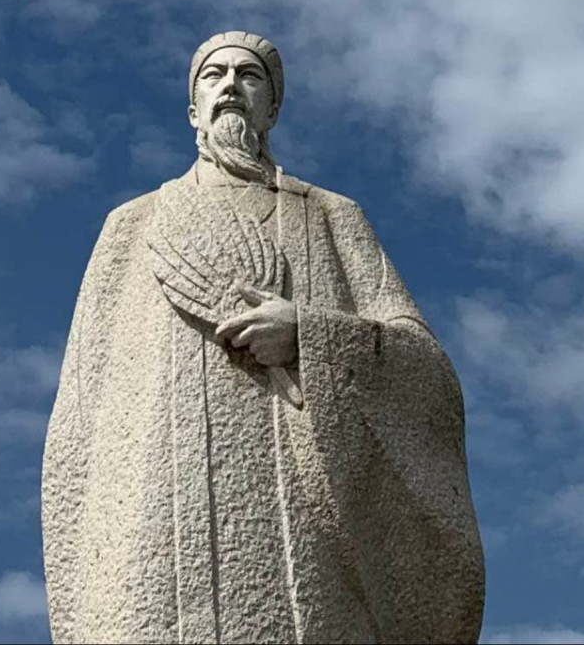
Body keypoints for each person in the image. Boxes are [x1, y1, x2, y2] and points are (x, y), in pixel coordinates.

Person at [42, 31, 485, 644]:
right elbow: (81, 410)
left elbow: (426, 372)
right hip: (156, 526)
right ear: (193, 109)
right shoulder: (133, 225)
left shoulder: (330, 216)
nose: (230, 85)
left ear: (271, 109)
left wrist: (310, 336)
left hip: (306, 532)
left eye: (249, 76)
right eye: (214, 75)